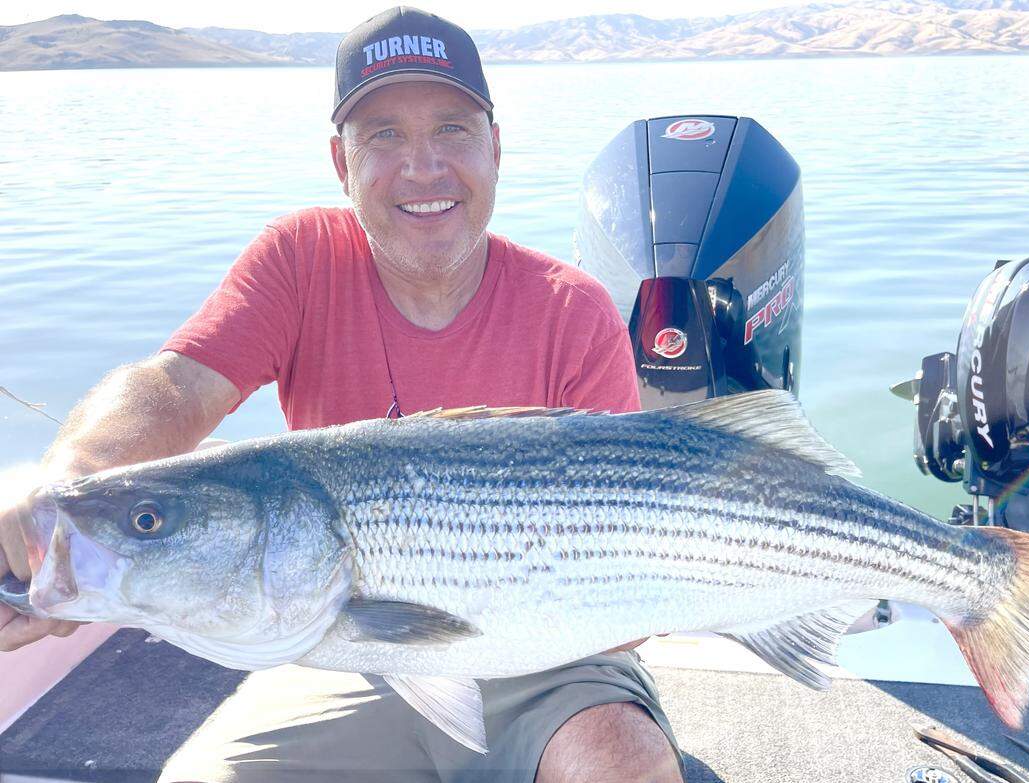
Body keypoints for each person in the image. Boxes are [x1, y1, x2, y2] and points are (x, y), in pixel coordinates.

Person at [0, 6, 684, 782]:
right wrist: (65, 484)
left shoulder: (576, 308)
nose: (422, 168)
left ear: (496, 146)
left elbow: (630, 572)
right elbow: (176, 385)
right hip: (336, 652)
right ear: (341, 162)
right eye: (383, 135)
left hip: (553, 665)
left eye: (452, 129)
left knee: (622, 766)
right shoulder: (299, 260)